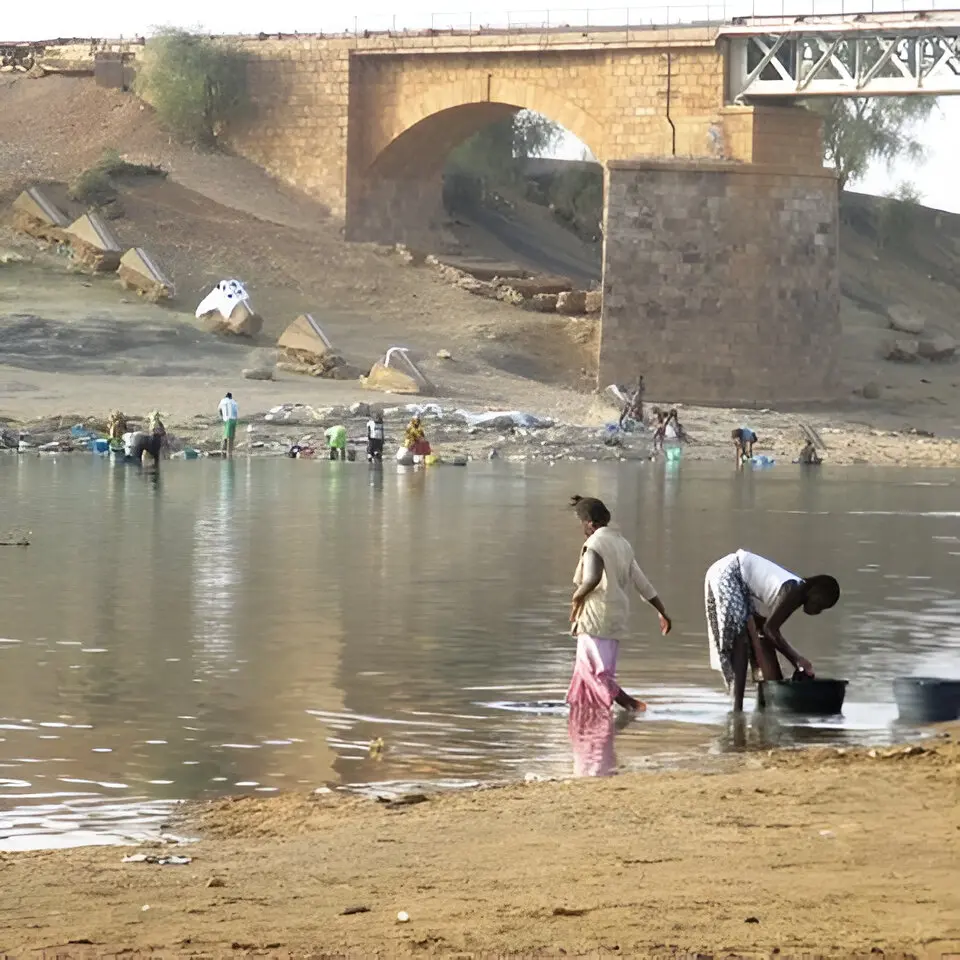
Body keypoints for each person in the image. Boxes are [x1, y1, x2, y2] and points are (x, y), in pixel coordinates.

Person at [567, 495, 672, 713]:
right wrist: (662, 612)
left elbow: (592, 579)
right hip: (616, 617)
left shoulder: (594, 543)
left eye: (581, 523)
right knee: (598, 671)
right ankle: (587, 716)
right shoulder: (622, 544)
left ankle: (626, 702)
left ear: (590, 523)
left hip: (596, 616)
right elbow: (642, 583)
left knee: (591, 671)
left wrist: (577, 598)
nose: (581, 528)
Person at [703, 548, 840, 711]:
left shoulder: (794, 590)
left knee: (756, 636)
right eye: (821, 603)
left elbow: (765, 631)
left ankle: (765, 699)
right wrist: (797, 660)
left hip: (736, 577)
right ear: (814, 591)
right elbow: (771, 630)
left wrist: (779, 678)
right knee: (741, 640)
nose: (819, 610)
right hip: (729, 572)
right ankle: (737, 708)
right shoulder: (794, 590)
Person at [218, 392, 239, 458]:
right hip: (234, 420)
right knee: (231, 437)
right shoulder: (234, 402)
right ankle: (228, 452)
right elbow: (236, 412)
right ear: (231, 397)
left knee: (227, 436)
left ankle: (227, 453)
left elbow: (219, 409)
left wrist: (221, 416)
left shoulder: (223, 401)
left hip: (228, 419)